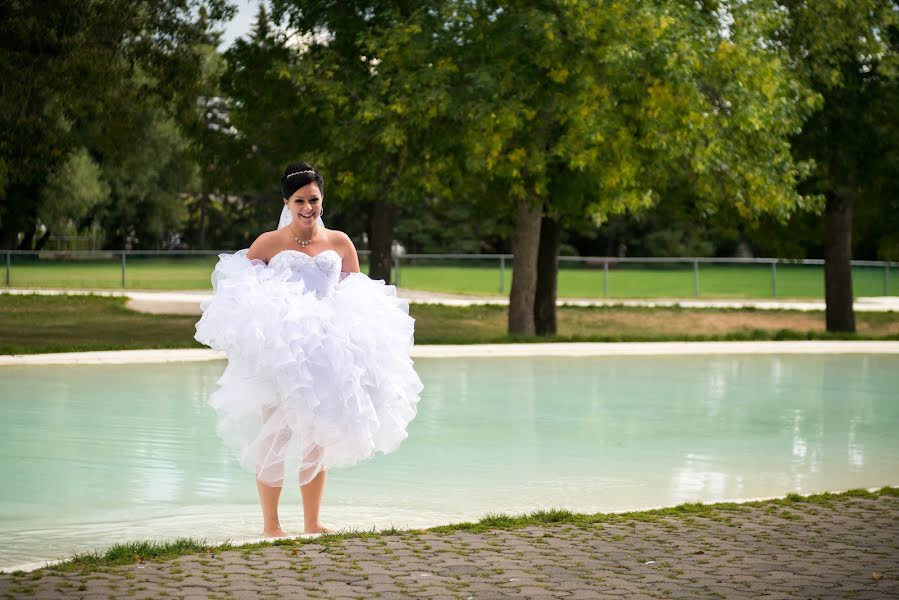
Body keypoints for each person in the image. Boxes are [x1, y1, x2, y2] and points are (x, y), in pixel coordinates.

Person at [194, 162, 422, 537]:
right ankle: (272, 526)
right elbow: (240, 299)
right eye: (299, 200)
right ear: (286, 202)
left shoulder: (340, 242)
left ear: (322, 199)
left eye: (313, 199)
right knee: (277, 434)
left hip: (326, 354)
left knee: (318, 437)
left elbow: (356, 293)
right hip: (282, 357)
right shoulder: (268, 243)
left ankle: (313, 522)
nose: (307, 207)